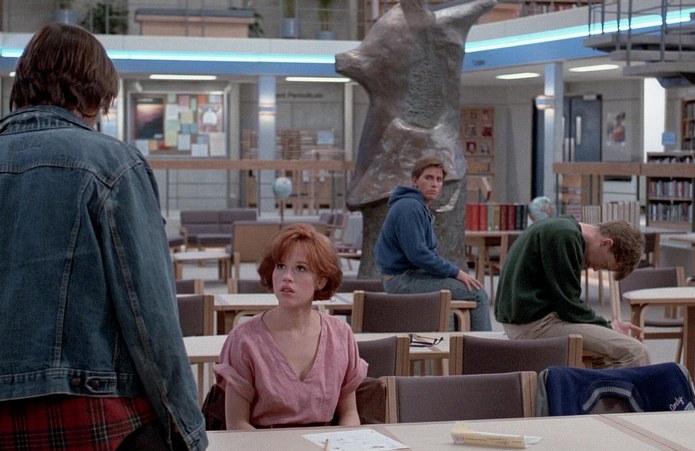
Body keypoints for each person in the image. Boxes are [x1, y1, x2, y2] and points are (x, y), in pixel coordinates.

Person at [0, 23, 206, 450]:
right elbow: (150, 316)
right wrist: (189, 431)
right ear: (95, 97)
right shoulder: (113, 165)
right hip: (93, 418)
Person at [214, 223, 368, 429]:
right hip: (261, 442)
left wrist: (342, 441)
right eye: (280, 266)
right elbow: (236, 424)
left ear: (321, 281)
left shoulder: (341, 334)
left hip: (326, 442)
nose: (287, 276)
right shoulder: (244, 338)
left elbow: (349, 414)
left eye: (300, 268)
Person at [494, 216, 650, 368]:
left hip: (527, 321)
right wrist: (608, 327)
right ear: (606, 243)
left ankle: (599, 386)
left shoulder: (563, 227)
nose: (596, 268)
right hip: (535, 326)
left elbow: (567, 303)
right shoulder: (565, 237)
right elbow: (569, 305)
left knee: (607, 358)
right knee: (636, 352)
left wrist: (605, 327)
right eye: (605, 265)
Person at [374, 155, 492, 331]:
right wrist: (456, 272)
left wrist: (451, 274)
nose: (434, 184)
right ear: (415, 181)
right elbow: (418, 254)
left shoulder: (418, 206)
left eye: (439, 180)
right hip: (402, 281)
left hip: (410, 276)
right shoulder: (410, 207)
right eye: (428, 178)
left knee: (463, 289)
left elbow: (425, 254)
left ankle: (461, 344)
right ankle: (482, 347)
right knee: (477, 293)